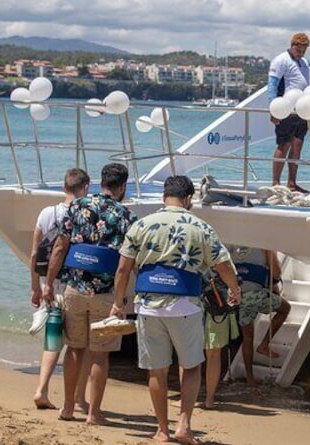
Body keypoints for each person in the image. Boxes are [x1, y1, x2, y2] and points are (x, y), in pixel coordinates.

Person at [113, 175, 240, 444]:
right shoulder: (201, 227)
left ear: (164, 197)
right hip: (185, 305)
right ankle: (184, 425)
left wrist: (117, 303)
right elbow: (223, 265)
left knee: (156, 371)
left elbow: (123, 269)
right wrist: (234, 289)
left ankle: (162, 429)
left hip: (148, 306)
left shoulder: (142, 224)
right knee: (191, 366)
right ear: (188, 198)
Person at [43, 162, 137, 425]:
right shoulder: (126, 216)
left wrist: (49, 283)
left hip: (75, 287)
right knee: (100, 354)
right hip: (104, 292)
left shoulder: (77, 206)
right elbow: (124, 264)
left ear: (100, 181)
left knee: (74, 350)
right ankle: (94, 414)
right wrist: (120, 300)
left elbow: (60, 248)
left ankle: (68, 408)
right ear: (123, 186)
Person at [29, 168, 91, 411]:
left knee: (53, 341)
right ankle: (78, 398)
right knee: (80, 345)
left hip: (50, 286)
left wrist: (36, 287)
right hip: (74, 285)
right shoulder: (84, 214)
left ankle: (41, 389)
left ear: (64, 187)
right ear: (85, 188)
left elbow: (36, 253)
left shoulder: (47, 213)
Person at [231, 246, 290, 385]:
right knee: (285, 308)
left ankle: (250, 378)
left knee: (247, 337)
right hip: (256, 296)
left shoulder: (236, 248)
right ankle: (264, 345)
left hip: (240, 296)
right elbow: (276, 273)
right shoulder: (266, 246)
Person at [268, 32, 310, 193]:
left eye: (304, 51)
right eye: (299, 50)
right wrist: (273, 109)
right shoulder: (281, 60)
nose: (301, 54)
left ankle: (292, 182)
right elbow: (272, 85)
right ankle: (276, 183)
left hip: (301, 109)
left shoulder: (304, 62)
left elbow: (306, 85)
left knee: (297, 145)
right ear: (292, 46)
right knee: (283, 144)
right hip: (285, 108)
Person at [201, 267, 239, 409]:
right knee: (213, 355)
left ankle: (188, 397)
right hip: (217, 308)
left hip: (195, 306)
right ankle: (209, 399)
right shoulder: (219, 252)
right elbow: (230, 273)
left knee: (188, 353)